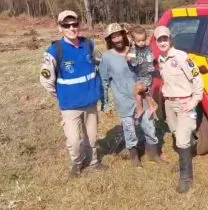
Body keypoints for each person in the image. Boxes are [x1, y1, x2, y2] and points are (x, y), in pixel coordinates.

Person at [40, 10, 107, 178]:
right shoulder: (55, 50)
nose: (72, 28)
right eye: (66, 25)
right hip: (69, 106)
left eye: (74, 24)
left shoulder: (89, 44)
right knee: (74, 140)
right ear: (60, 27)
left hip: (90, 102)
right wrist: (61, 96)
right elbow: (46, 80)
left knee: (91, 138)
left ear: (79, 24)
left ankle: (93, 162)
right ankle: (77, 163)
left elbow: (101, 63)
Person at [99, 23, 168, 168]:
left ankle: (153, 154)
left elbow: (149, 67)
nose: (117, 39)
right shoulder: (107, 57)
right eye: (113, 37)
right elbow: (104, 81)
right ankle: (134, 156)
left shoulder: (136, 50)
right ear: (109, 40)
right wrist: (105, 102)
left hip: (142, 97)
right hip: (123, 100)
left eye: (119, 35)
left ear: (124, 36)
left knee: (149, 126)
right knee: (129, 129)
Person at [153, 26, 204, 193]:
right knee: (176, 134)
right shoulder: (160, 59)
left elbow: (197, 78)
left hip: (184, 103)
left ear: (170, 39)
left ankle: (186, 177)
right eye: (159, 39)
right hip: (170, 104)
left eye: (165, 39)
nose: (162, 42)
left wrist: (194, 101)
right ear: (156, 41)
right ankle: (185, 162)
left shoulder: (182, 57)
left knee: (182, 139)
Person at [126, 25, 157, 121]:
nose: (142, 42)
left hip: (145, 74)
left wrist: (152, 58)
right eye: (139, 41)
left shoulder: (147, 48)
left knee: (138, 92)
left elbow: (152, 57)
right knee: (144, 92)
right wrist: (129, 58)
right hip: (139, 75)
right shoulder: (133, 49)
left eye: (143, 40)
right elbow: (129, 58)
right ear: (134, 40)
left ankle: (140, 109)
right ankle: (151, 107)